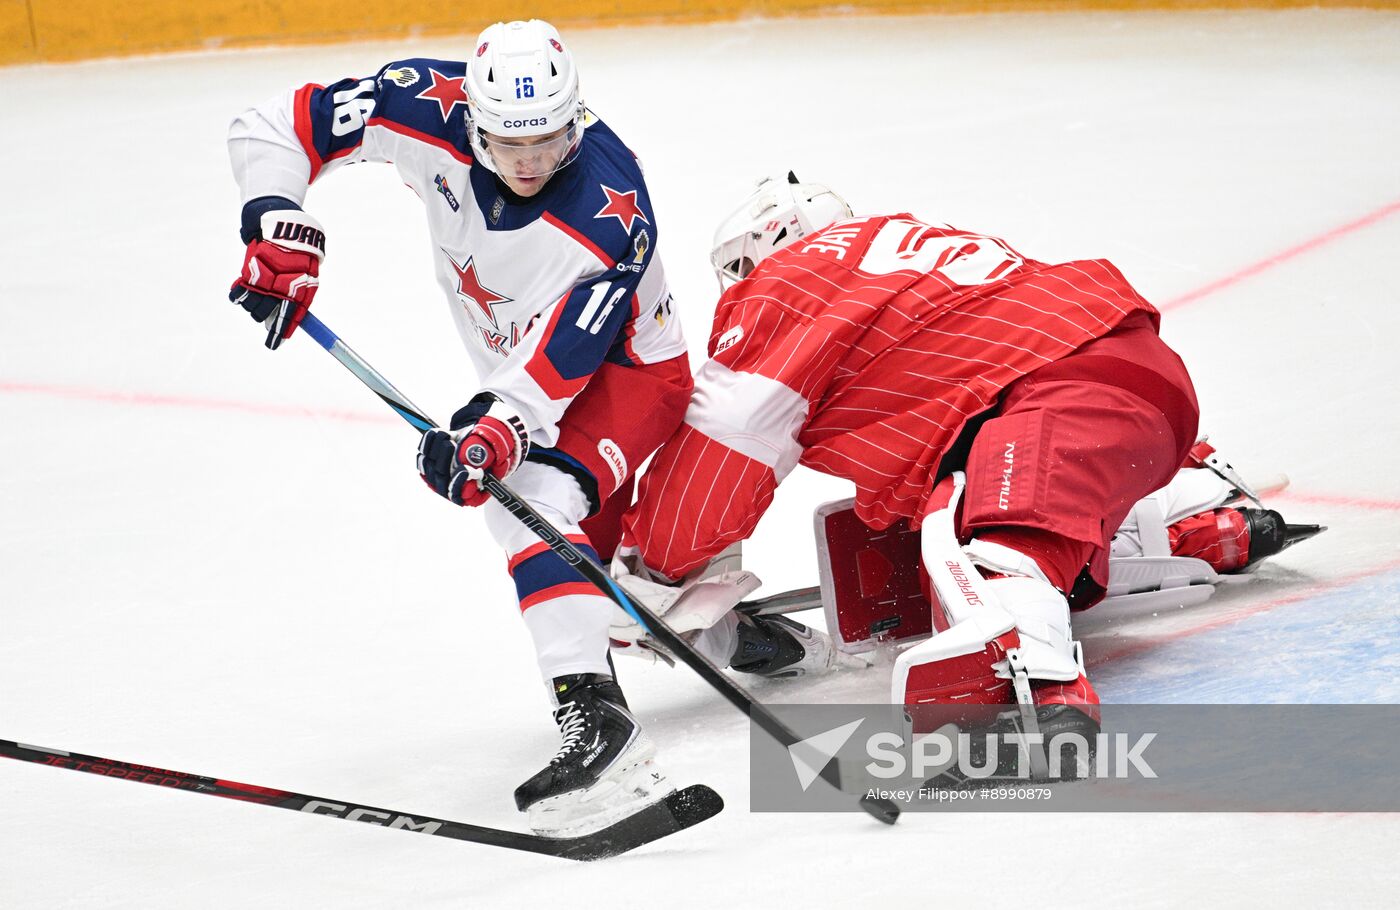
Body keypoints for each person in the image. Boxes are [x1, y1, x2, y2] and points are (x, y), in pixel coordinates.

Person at [224, 19, 692, 833]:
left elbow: (566, 357)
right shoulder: (421, 104)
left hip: (627, 373)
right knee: (593, 571)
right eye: (510, 143)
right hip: (523, 373)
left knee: (528, 500)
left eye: (548, 140)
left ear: (576, 119)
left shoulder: (610, 212)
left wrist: (490, 433)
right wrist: (275, 223)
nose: (530, 163)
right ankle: (712, 628)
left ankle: (598, 721)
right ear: (471, 122)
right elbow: (275, 125)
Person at [615, 172, 1210, 768]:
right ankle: (1195, 516)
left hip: (1055, 405)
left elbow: (722, 451)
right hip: (1145, 387)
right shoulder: (911, 249)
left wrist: (649, 577)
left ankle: (1034, 696)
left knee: (980, 543)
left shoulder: (789, 284)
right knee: (1003, 491)